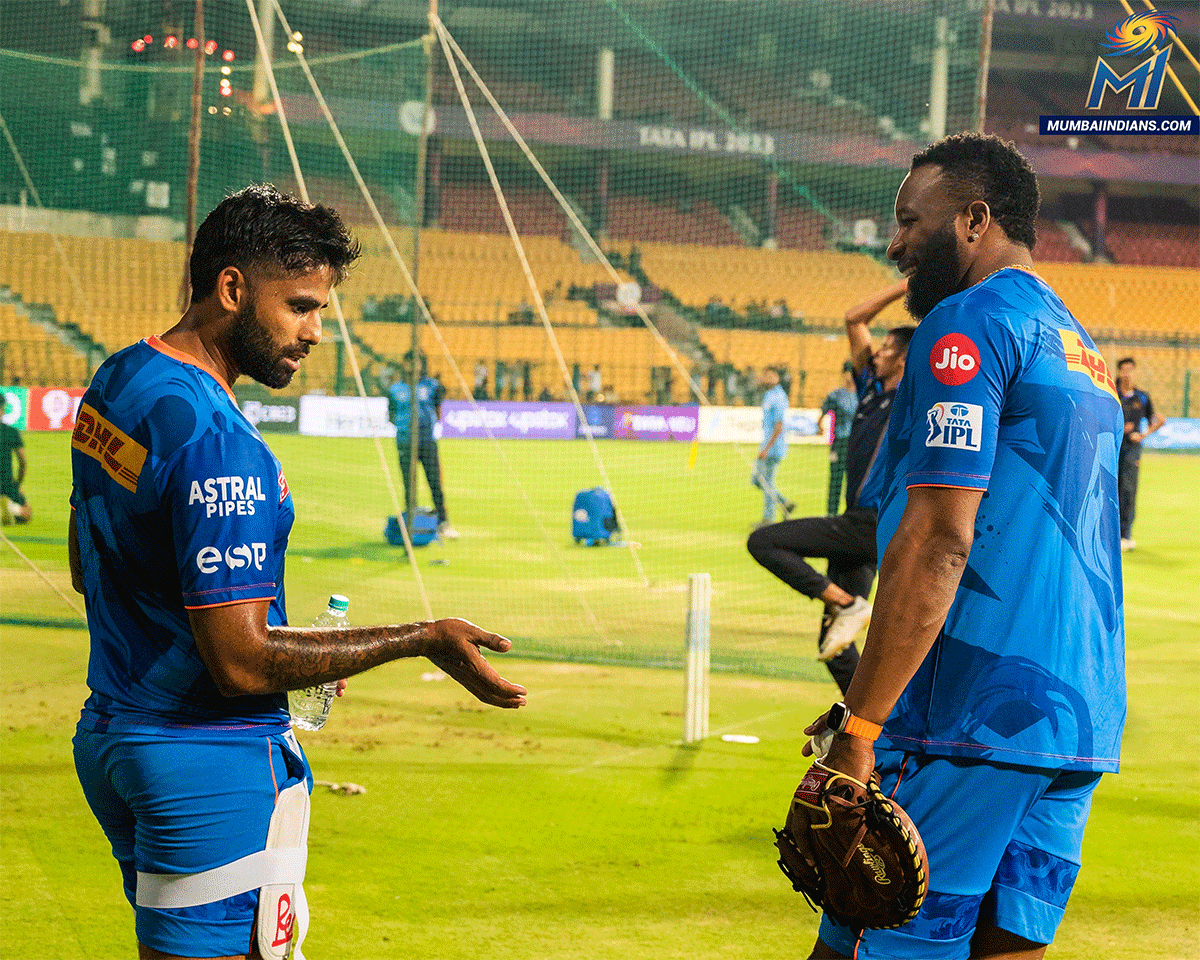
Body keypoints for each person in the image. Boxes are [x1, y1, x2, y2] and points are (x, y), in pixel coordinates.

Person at [69, 184, 526, 960]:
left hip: (115, 736)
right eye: (301, 306)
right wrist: (419, 638)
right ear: (233, 288)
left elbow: (90, 569)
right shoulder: (222, 444)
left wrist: (297, 651)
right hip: (207, 760)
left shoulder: (118, 380)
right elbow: (243, 663)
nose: (316, 332)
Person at [803, 133, 1124, 960]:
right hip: (1075, 719)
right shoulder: (1076, 342)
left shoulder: (967, 324)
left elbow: (940, 541)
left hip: (970, 714)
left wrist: (864, 725)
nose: (895, 242)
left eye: (911, 220)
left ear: (973, 219)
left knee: (868, 948)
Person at [748, 283, 912, 694]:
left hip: (873, 524)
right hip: (858, 529)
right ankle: (870, 732)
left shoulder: (913, 397)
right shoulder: (871, 390)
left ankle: (843, 602)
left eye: (890, 347)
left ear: (908, 359)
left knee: (764, 542)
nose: (879, 351)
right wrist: (905, 285)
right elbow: (855, 318)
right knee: (833, 644)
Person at [389, 360, 457, 540]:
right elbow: (391, 414)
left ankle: (443, 522)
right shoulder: (396, 389)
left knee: (435, 482)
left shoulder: (431, 386)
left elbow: (438, 405)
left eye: (417, 363)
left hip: (427, 441)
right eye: (410, 363)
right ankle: (412, 524)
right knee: (409, 485)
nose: (413, 367)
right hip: (405, 442)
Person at [1115, 356, 1165, 550]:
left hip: (1131, 450)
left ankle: (1125, 535)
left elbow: (1157, 420)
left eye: (1130, 369)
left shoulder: (1142, 397)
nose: (1127, 373)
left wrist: (1142, 434)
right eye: (1124, 370)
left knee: (1128, 489)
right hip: (1113, 446)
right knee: (1110, 487)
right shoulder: (1112, 394)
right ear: (1118, 372)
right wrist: (1120, 428)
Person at [819, 361, 859, 515]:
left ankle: (851, 513)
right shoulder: (836, 395)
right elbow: (823, 412)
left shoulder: (862, 395)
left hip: (856, 443)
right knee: (835, 480)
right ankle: (831, 514)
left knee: (853, 480)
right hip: (839, 442)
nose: (848, 376)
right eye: (847, 372)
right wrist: (820, 423)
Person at [0, 395, 32, 524]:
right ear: (3, 408)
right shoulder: (11, 432)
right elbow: (23, 462)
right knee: (27, 514)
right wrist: (18, 484)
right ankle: (12, 509)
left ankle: (4, 510)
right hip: (7, 483)